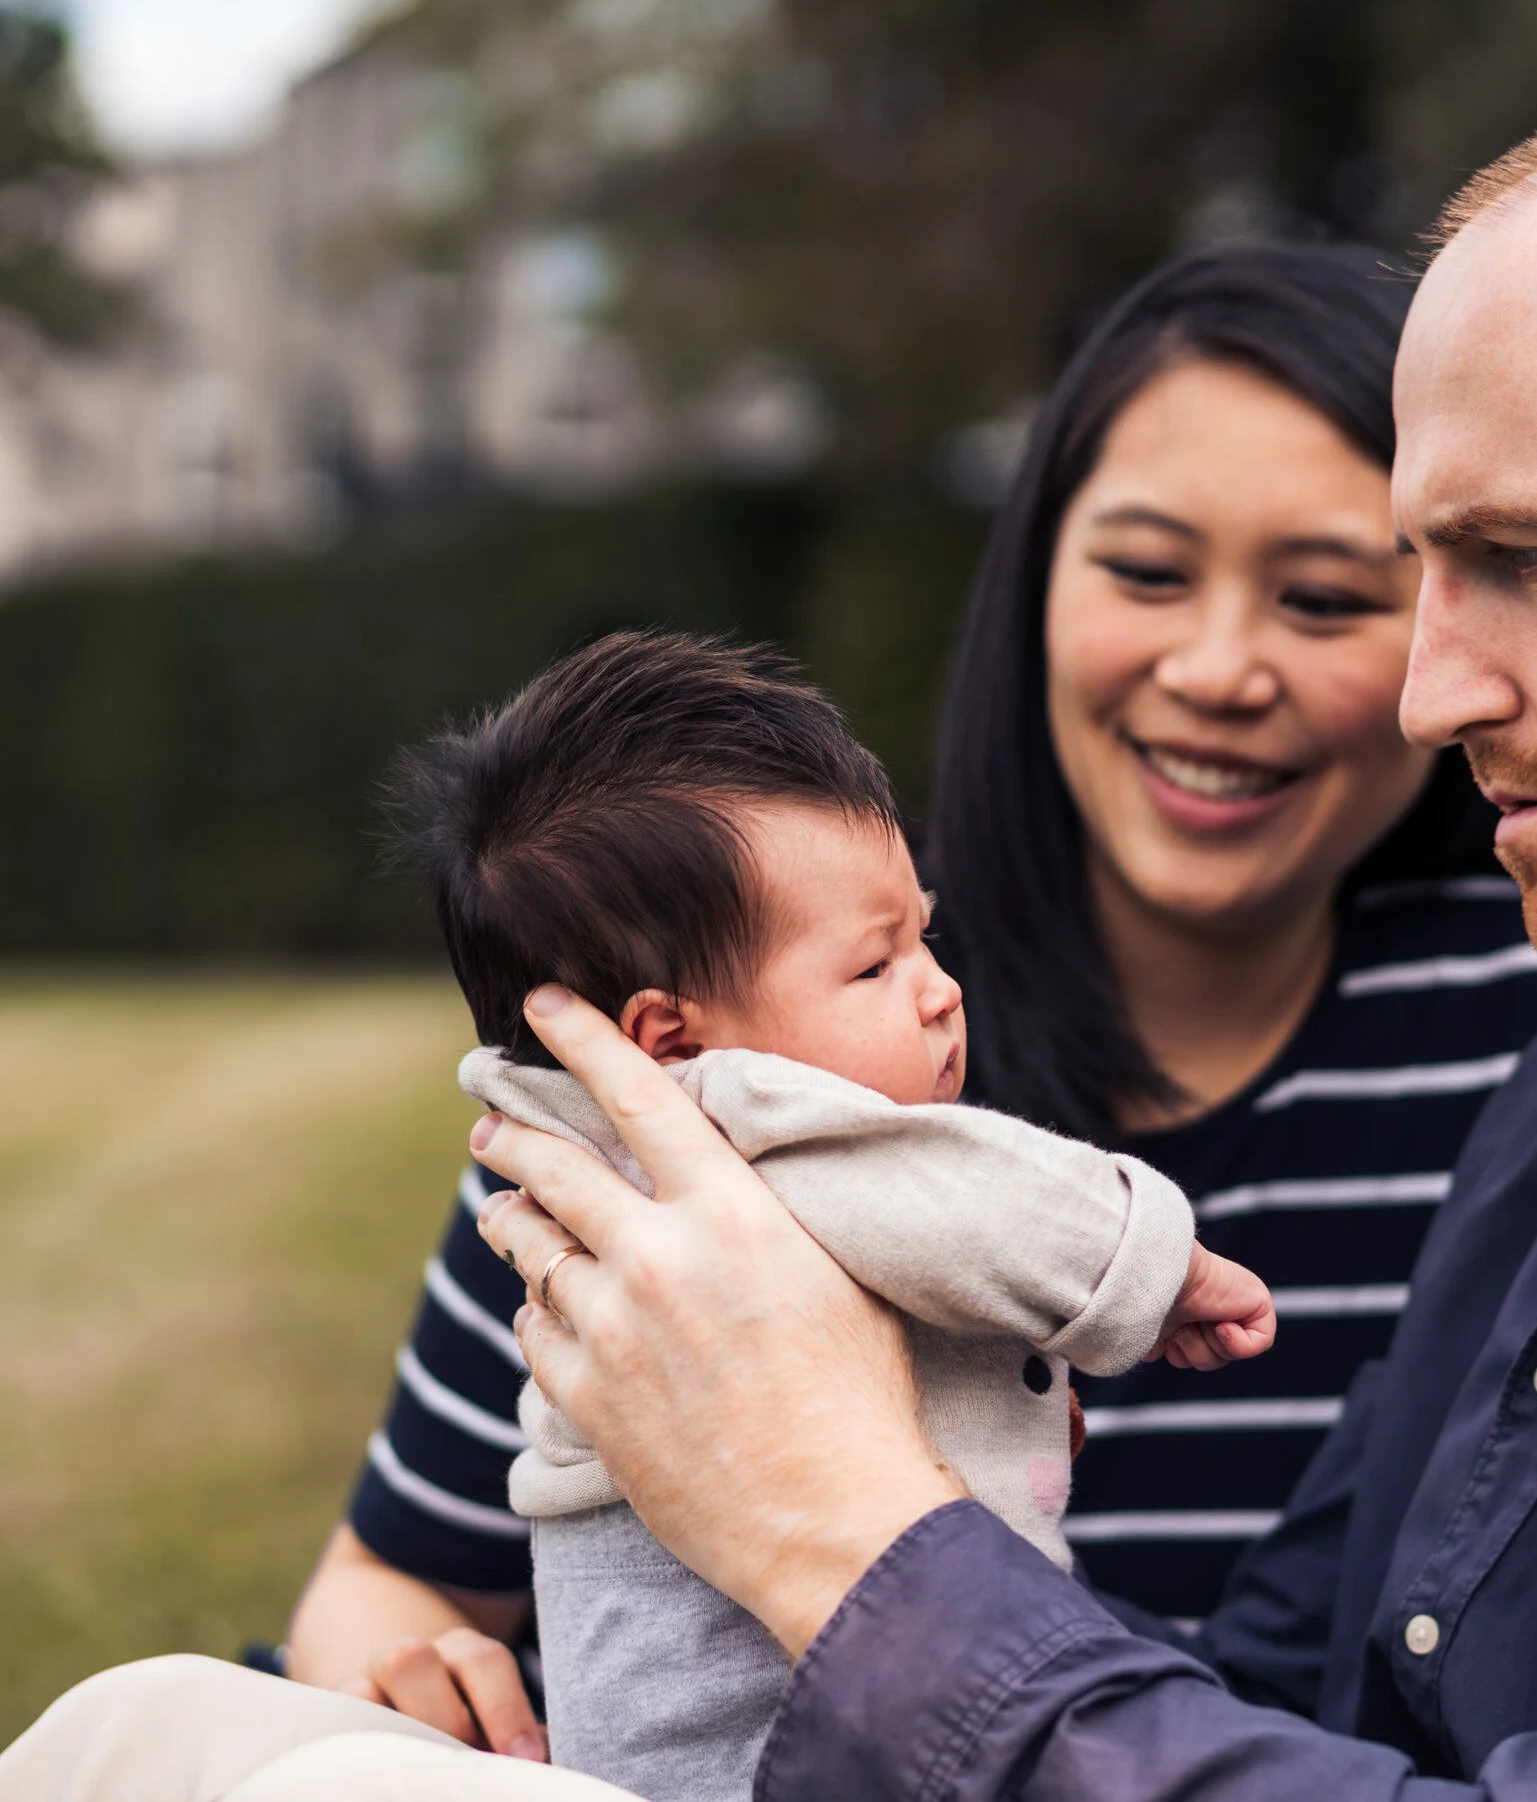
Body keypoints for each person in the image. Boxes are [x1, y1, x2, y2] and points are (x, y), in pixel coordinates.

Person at [10, 44, 1537, 1802]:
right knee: (150, 1732)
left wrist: (832, 1513)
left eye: (1505, 558)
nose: (1420, 683)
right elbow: (1290, 1682)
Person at [277, 242, 1537, 1752]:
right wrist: (405, 1695)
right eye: (1146, 571)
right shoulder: (755, 1001)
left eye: (1329, 595)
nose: (1220, 667)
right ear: (1032, 582)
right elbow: (386, 1579)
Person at [395, 628, 1272, 1800]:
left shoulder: (600, 1157)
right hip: (768, 1732)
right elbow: (988, 1207)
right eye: (873, 968)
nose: (940, 988)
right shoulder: (750, 1137)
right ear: (672, 1039)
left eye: (926, 936)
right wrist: (1156, 1270)